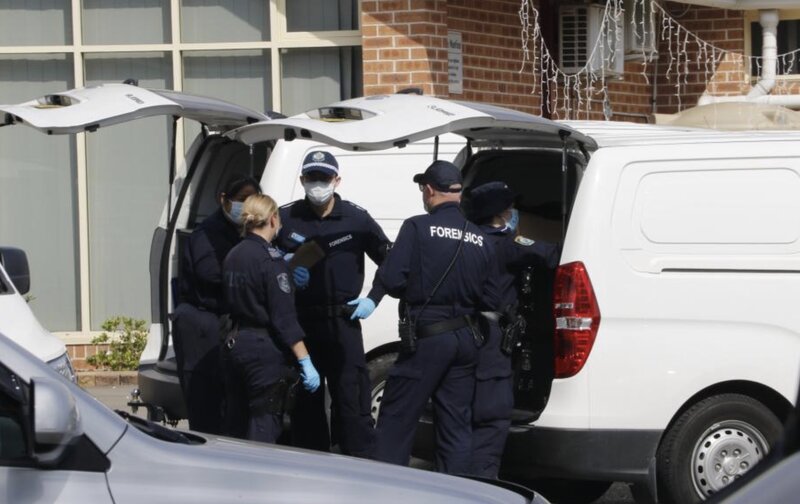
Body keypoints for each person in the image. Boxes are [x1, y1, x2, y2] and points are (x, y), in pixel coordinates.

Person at [372, 160, 501, 475]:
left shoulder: (417, 227)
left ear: (429, 190)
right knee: (455, 426)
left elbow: (392, 279)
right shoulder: (481, 238)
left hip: (428, 338)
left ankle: (384, 491)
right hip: (466, 340)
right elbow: (492, 297)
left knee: (396, 418)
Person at [275, 150, 391, 458]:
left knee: (353, 407)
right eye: (312, 178)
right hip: (301, 325)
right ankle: (311, 480)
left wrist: (373, 298)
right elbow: (260, 258)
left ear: (336, 180)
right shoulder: (285, 218)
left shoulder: (356, 219)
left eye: (324, 178)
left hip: (344, 324)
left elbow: (391, 262)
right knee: (305, 410)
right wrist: (284, 267)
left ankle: (361, 476)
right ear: (302, 180)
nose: (318, 184)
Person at [464, 181, 560, 479]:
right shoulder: (509, 245)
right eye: (511, 209)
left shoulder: (465, 242)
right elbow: (553, 256)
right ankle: (483, 485)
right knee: (493, 416)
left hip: (462, 334)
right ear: (502, 214)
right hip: (493, 341)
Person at [221, 193, 320, 443]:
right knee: (263, 424)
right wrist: (305, 360)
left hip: (235, 343)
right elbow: (284, 318)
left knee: (236, 424)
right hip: (262, 351)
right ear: (273, 219)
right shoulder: (271, 261)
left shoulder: (233, 254)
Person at [171, 176, 261, 434]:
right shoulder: (208, 233)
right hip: (202, 324)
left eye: (251, 200)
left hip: (227, 322)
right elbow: (210, 273)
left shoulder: (246, 232)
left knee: (231, 405)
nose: (244, 206)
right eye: (240, 199)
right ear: (224, 200)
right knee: (206, 403)